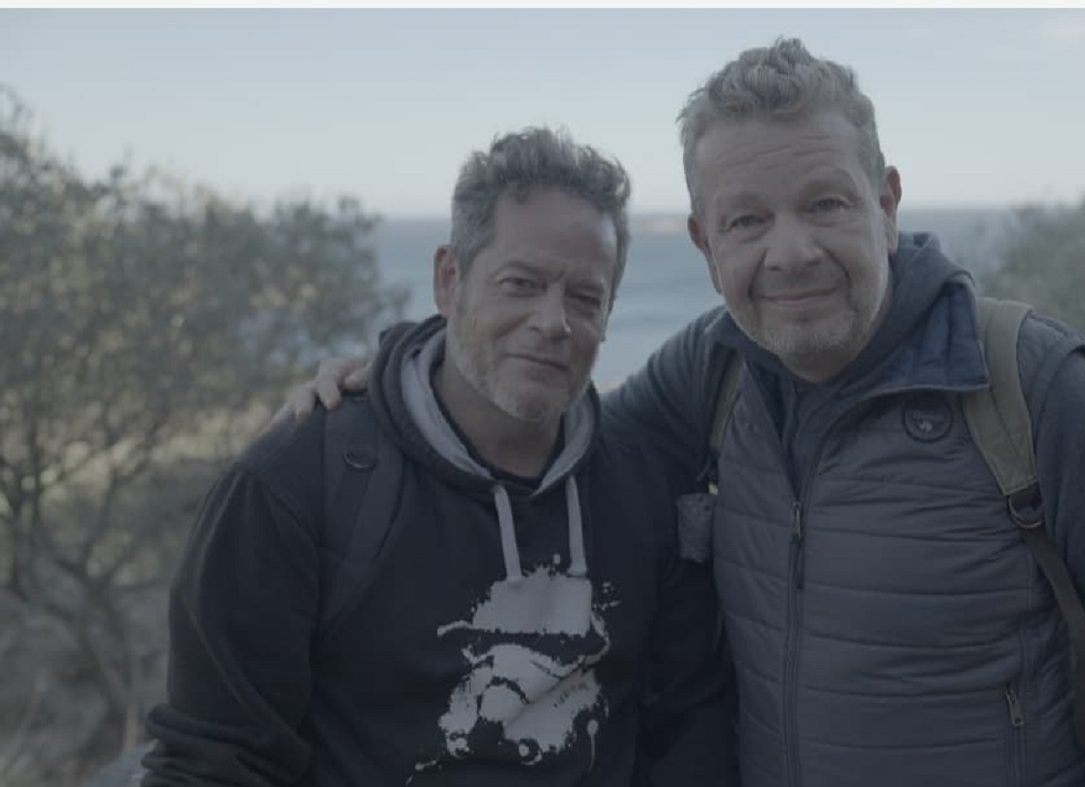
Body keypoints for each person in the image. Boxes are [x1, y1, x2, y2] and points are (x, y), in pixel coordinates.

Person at [284, 39, 1085, 787]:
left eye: (824, 204)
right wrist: (402, 377)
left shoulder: (1027, 383)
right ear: (706, 243)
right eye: (747, 220)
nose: (790, 253)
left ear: (886, 202)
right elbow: (554, 440)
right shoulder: (715, 368)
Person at [143, 127, 735, 787]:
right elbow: (214, 760)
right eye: (520, 283)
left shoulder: (641, 488)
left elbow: (688, 726)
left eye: (584, 297)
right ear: (449, 280)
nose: (552, 321)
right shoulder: (298, 484)